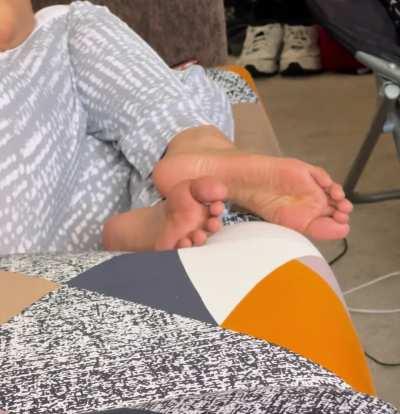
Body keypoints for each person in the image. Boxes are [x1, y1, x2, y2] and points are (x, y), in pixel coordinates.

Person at [0, 0, 352, 255]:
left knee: (177, 85)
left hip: (50, 190)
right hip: (22, 232)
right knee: (66, 26)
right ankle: (180, 156)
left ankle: (175, 169)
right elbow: (10, 25)